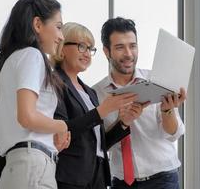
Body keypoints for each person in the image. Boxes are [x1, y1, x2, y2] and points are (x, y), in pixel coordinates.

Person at [50, 22, 147, 189]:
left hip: (97, 177)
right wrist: (102, 111)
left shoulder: (90, 92)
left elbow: (98, 144)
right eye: (81, 46)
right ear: (62, 48)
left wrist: (123, 123)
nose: (87, 53)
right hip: (71, 178)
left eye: (90, 48)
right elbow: (62, 131)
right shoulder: (53, 83)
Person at [93, 17, 187, 189]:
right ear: (107, 52)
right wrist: (121, 123)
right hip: (122, 182)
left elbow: (174, 133)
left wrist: (168, 110)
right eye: (120, 47)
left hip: (163, 179)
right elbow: (99, 145)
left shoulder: (156, 80)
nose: (128, 53)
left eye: (133, 45)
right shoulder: (97, 93)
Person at [0, 0, 70, 189]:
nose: (61, 36)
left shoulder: (11, 60)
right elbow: (27, 116)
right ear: (38, 24)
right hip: (32, 167)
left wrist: (50, 137)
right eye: (59, 27)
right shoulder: (32, 56)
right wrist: (61, 126)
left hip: (19, 166)